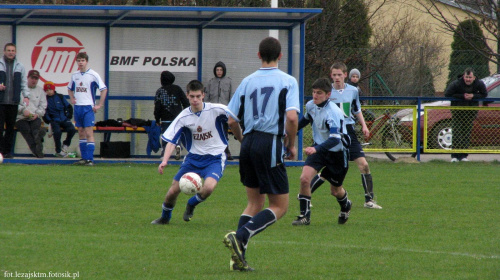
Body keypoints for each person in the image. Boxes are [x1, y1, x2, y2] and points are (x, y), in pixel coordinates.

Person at [223, 37, 299, 271]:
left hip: (249, 142)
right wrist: (292, 144)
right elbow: (292, 117)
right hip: (270, 142)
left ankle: (239, 261)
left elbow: (231, 119)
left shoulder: (247, 81)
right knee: (281, 205)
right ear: (280, 56)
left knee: (254, 202)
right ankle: (242, 236)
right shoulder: (288, 81)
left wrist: (244, 140)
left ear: (258, 55)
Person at [151, 80, 230, 225]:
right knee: (172, 192)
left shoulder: (217, 109)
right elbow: (171, 140)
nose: (195, 100)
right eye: (192, 96)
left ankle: (191, 204)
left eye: (198, 96)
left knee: (209, 188)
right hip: (193, 159)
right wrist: (164, 161)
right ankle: (165, 218)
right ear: (187, 96)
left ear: (203, 95)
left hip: (215, 158)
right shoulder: (183, 117)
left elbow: (236, 117)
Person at [309, 63, 382, 209]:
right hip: (333, 133)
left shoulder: (353, 91)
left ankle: (369, 200)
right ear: (331, 76)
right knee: (327, 170)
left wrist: (364, 125)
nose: (336, 77)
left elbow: (356, 109)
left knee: (364, 164)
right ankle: (306, 196)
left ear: (345, 75)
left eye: (339, 74)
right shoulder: (327, 91)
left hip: (348, 131)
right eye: (334, 75)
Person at [292, 78, 351, 226]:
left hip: (337, 153)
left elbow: (335, 139)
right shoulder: (311, 105)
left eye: (319, 93)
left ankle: (346, 205)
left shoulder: (334, 113)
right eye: (313, 92)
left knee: (335, 191)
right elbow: (305, 119)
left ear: (328, 95)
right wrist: (291, 132)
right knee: (305, 179)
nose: (315, 95)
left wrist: (316, 148)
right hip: (319, 149)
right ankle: (304, 216)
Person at [67, 52, 107, 166]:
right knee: (80, 132)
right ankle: (84, 158)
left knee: (89, 132)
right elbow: (69, 89)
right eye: (79, 60)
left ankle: (90, 159)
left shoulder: (93, 75)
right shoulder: (74, 75)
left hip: (88, 107)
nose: (80, 63)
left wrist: (99, 105)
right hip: (78, 107)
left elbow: (104, 89)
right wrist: (72, 98)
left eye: (82, 60)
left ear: (86, 61)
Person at [444, 68, 487, 162]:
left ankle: (464, 156)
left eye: (470, 77)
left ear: (474, 77)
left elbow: (484, 94)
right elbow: (447, 94)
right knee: (456, 133)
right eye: (466, 77)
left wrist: (474, 96)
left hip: (470, 113)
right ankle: (455, 156)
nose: (468, 79)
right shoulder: (456, 84)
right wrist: (462, 96)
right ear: (463, 76)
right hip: (457, 112)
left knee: (466, 134)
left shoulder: (479, 84)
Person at [0, 43, 30, 159]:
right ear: (4, 51)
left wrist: (26, 96)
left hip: (13, 102)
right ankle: (0, 151)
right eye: (8, 50)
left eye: (13, 50)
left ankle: (7, 152)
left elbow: (23, 83)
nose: (11, 52)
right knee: (0, 128)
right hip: (1, 102)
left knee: (10, 129)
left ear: (15, 52)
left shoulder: (20, 66)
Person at [154, 70, 189, 160]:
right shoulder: (177, 88)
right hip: (178, 117)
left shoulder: (160, 91)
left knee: (166, 135)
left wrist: (157, 119)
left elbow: (157, 107)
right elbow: (185, 102)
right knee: (177, 133)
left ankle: (164, 152)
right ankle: (177, 145)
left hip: (165, 118)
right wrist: (186, 114)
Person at [205, 61, 234, 160]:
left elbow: (231, 97)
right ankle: (213, 153)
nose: (219, 72)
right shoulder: (211, 82)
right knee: (212, 132)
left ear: (224, 70)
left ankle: (226, 151)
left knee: (224, 131)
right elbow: (207, 97)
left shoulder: (229, 82)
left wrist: (231, 112)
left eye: (221, 70)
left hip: (224, 111)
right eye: (217, 70)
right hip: (213, 111)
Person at [16, 70, 46, 158]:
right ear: (27, 78)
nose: (34, 80)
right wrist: (22, 110)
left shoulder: (40, 91)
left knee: (35, 129)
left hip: (34, 117)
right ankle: (38, 151)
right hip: (20, 117)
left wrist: (37, 114)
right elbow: (14, 103)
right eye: (32, 78)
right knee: (27, 130)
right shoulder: (19, 89)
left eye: (36, 78)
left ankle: (37, 147)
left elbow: (43, 106)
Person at [43, 81, 76, 157]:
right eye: (47, 90)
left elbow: (68, 107)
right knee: (57, 132)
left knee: (72, 129)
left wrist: (68, 116)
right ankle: (58, 150)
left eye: (50, 89)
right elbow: (45, 111)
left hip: (64, 119)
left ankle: (65, 144)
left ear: (54, 89)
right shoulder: (45, 99)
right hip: (54, 120)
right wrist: (49, 121)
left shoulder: (60, 97)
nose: (49, 92)